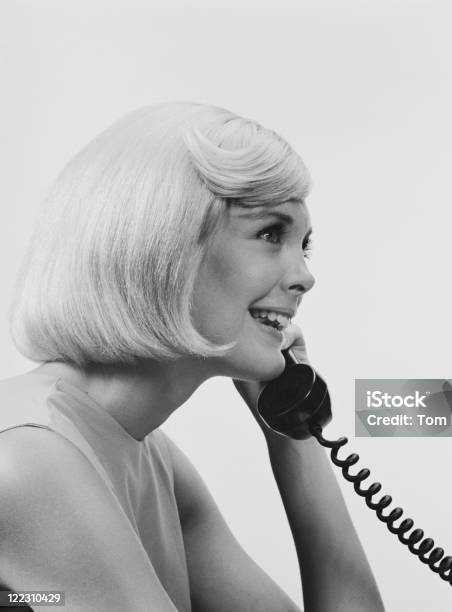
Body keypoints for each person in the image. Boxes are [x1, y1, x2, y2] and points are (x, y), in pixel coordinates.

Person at [0, 103, 385, 612]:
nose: (304, 278)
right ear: (164, 246)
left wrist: (296, 432)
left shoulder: (148, 457)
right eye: (271, 234)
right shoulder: (30, 454)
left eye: (303, 246)